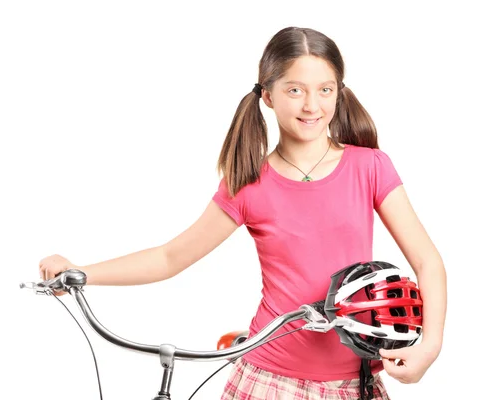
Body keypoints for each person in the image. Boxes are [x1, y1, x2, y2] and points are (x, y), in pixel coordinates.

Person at [39, 26, 447, 400]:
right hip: (270, 377)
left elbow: (428, 261)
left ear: (339, 92)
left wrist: (429, 347)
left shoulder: (369, 166)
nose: (311, 105)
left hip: (352, 383)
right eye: (294, 90)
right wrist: (82, 272)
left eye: (325, 89)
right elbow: (170, 257)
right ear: (267, 95)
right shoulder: (249, 184)